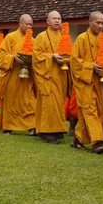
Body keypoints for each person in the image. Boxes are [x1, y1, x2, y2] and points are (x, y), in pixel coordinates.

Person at [70, 11, 103, 154]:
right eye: (98, 22)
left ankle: (78, 140)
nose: (100, 26)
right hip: (85, 82)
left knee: (92, 112)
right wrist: (91, 66)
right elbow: (75, 61)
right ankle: (98, 142)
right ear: (90, 22)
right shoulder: (82, 39)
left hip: (100, 82)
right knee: (90, 111)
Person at [32, 11, 69, 144]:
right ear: (48, 21)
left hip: (60, 76)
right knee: (48, 104)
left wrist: (67, 58)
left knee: (58, 104)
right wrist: (51, 56)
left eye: (59, 18)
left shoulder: (64, 37)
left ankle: (57, 129)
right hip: (46, 76)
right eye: (54, 18)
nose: (57, 21)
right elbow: (36, 57)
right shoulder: (41, 37)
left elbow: (71, 53)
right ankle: (47, 132)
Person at [0, 15, 37, 135]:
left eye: (31, 25)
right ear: (20, 23)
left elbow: (37, 56)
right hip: (12, 75)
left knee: (29, 101)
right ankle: (8, 127)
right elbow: (0, 55)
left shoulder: (33, 41)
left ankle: (32, 127)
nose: (29, 27)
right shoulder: (10, 37)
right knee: (11, 101)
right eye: (27, 24)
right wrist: (12, 58)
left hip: (27, 77)